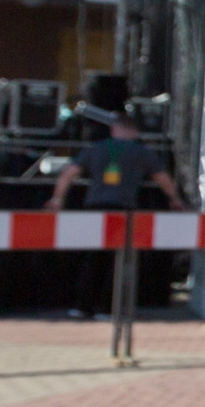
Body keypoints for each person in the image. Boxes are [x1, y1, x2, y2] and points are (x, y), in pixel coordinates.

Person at [47, 110, 181, 319]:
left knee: (91, 257)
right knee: (116, 260)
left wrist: (57, 200)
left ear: (113, 129)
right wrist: (174, 199)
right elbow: (162, 178)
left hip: (95, 208)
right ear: (135, 132)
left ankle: (81, 306)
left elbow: (68, 174)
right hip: (122, 209)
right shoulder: (142, 152)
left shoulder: (95, 148)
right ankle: (107, 308)